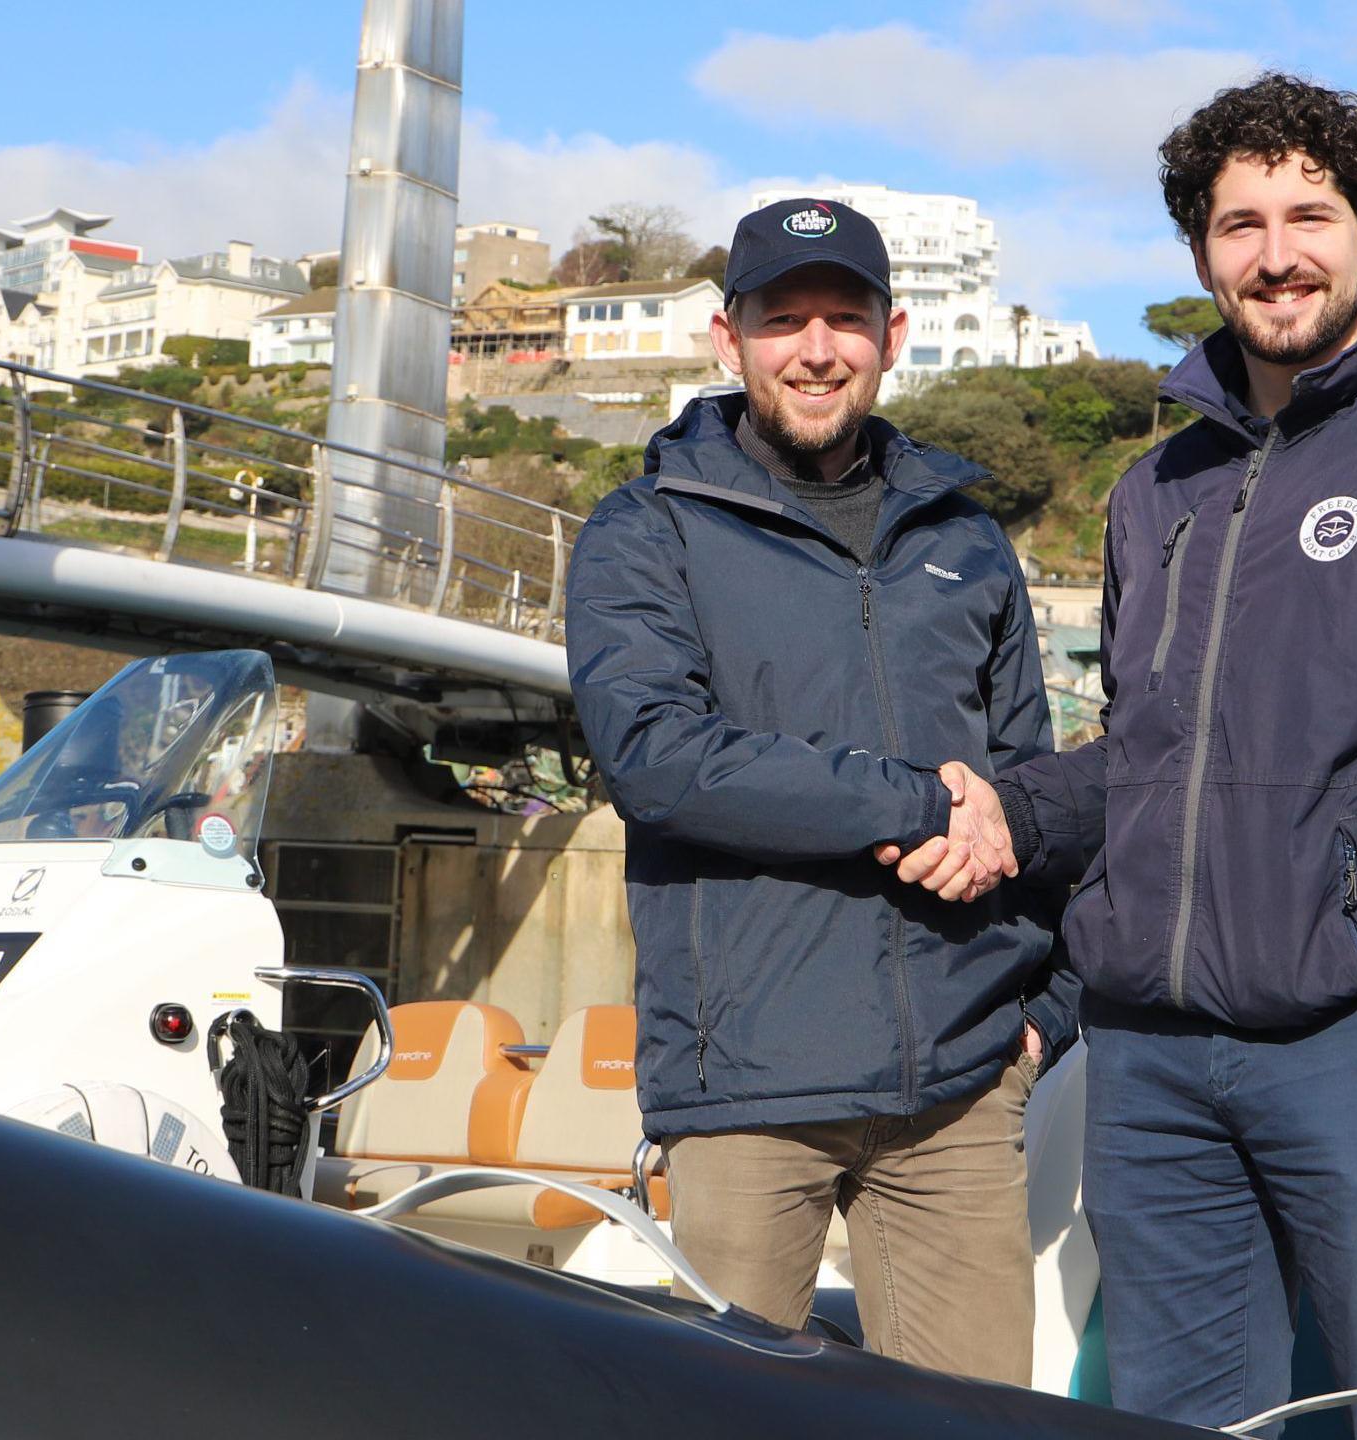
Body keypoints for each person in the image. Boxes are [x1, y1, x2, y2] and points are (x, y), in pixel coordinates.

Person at [883, 74, 1357, 1430]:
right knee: (1180, 1417)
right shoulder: (1154, 492)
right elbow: (1150, 757)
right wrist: (1008, 809)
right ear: (1200, 253)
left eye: (1312, 214)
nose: (1277, 252)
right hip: (1155, 1061)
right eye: (1241, 223)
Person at [565, 197, 1074, 1386]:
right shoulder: (646, 531)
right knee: (731, 1422)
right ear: (725, 337)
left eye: (844, 317)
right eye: (781, 317)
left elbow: (1030, 788)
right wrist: (910, 805)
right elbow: (656, 756)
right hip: (750, 1085)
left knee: (973, 1424)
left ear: (891, 337)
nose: (814, 346)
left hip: (959, 1083)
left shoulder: (967, 540)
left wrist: (1055, 1004)